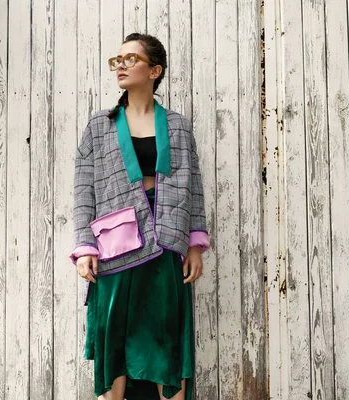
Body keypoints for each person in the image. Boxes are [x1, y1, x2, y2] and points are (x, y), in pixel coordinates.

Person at [70, 33, 210, 400]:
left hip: (165, 242)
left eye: (130, 59)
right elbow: (84, 188)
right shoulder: (99, 126)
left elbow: (192, 185)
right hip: (116, 246)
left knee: (166, 343)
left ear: (155, 71)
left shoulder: (177, 126)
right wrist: (85, 246)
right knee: (113, 342)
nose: (121, 65)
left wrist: (194, 245)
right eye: (117, 59)